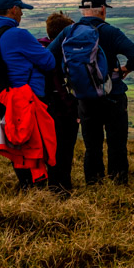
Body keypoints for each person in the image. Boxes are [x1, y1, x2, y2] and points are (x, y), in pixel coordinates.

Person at [48, 0, 134, 186]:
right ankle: (118, 183)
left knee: (92, 146)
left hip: (84, 97)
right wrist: (126, 69)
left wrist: (69, 75)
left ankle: (94, 184)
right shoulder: (110, 32)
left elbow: (48, 57)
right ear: (102, 9)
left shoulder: (69, 32)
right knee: (116, 143)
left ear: (82, 10)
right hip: (113, 95)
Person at [0, 0, 56, 189]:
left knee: (16, 143)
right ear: (13, 10)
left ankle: (24, 184)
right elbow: (49, 63)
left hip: (4, 98)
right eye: (21, 10)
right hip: (27, 98)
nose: (22, 15)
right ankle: (36, 187)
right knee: (34, 144)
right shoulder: (18, 34)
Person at [39, 12, 79, 195]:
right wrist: (75, 109)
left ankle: (53, 184)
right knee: (65, 148)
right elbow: (60, 85)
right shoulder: (61, 51)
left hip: (43, 106)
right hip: (62, 108)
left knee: (51, 148)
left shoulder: (39, 48)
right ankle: (61, 187)